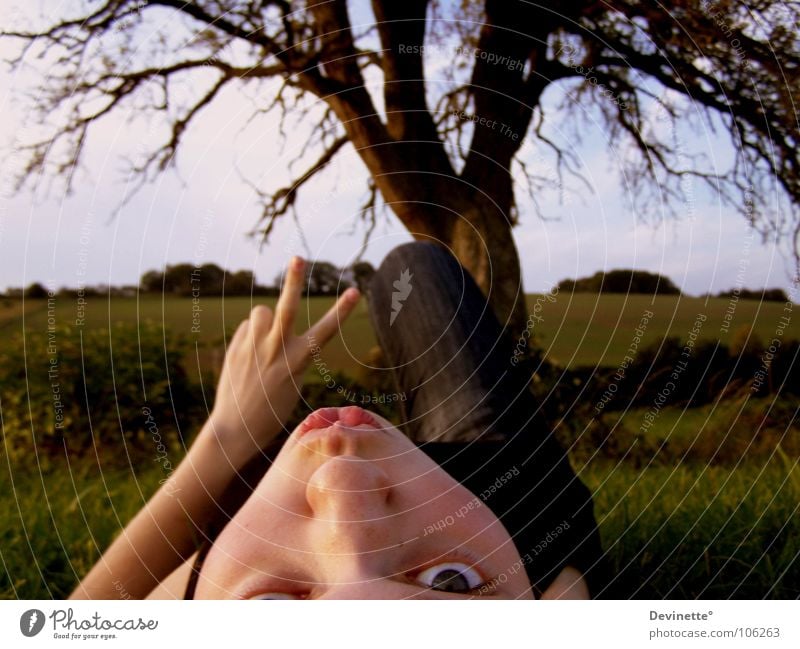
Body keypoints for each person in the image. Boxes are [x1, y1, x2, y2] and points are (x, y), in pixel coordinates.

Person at [70, 242, 605, 600]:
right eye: (451, 585)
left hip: (259, 514)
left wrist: (228, 433)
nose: (343, 483)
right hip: (504, 488)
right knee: (414, 266)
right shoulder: (544, 577)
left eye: (273, 613)